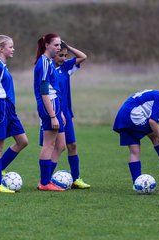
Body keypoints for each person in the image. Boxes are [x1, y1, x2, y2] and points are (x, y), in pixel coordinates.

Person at [39, 40, 90, 189]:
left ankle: (76, 179)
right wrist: (56, 113)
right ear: (53, 54)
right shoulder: (48, 70)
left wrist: (67, 46)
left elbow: (83, 56)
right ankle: (45, 180)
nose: (63, 58)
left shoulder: (66, 67)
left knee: (72, 145)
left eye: (65, 55)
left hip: (66, 113)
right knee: (55, 146)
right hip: (54, 112)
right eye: (61, 55)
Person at [0, 35, 29, 193]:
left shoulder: (3, 66)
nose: (13, 49)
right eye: (10, 47)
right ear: (1, 49)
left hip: (9, 108)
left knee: (23, 141)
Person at [113, 86, 159, 188]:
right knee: (156, 136)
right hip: (133, 115)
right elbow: (153, 122)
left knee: (134, 151)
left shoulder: (158, 95)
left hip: (123, 116)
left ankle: (136, 183)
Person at [34, 33, 66, 191]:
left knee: (60, 145)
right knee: (49, 144)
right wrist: (53, 115)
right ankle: (45, 182)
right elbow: (44, 92)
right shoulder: (45, 63)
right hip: (49, 105)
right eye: (55, 45)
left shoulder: (49, 62)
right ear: (46, 45)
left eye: (60, 45)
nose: (59, 48)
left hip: (55, 106)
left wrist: (59, 113)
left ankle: (46, 180)